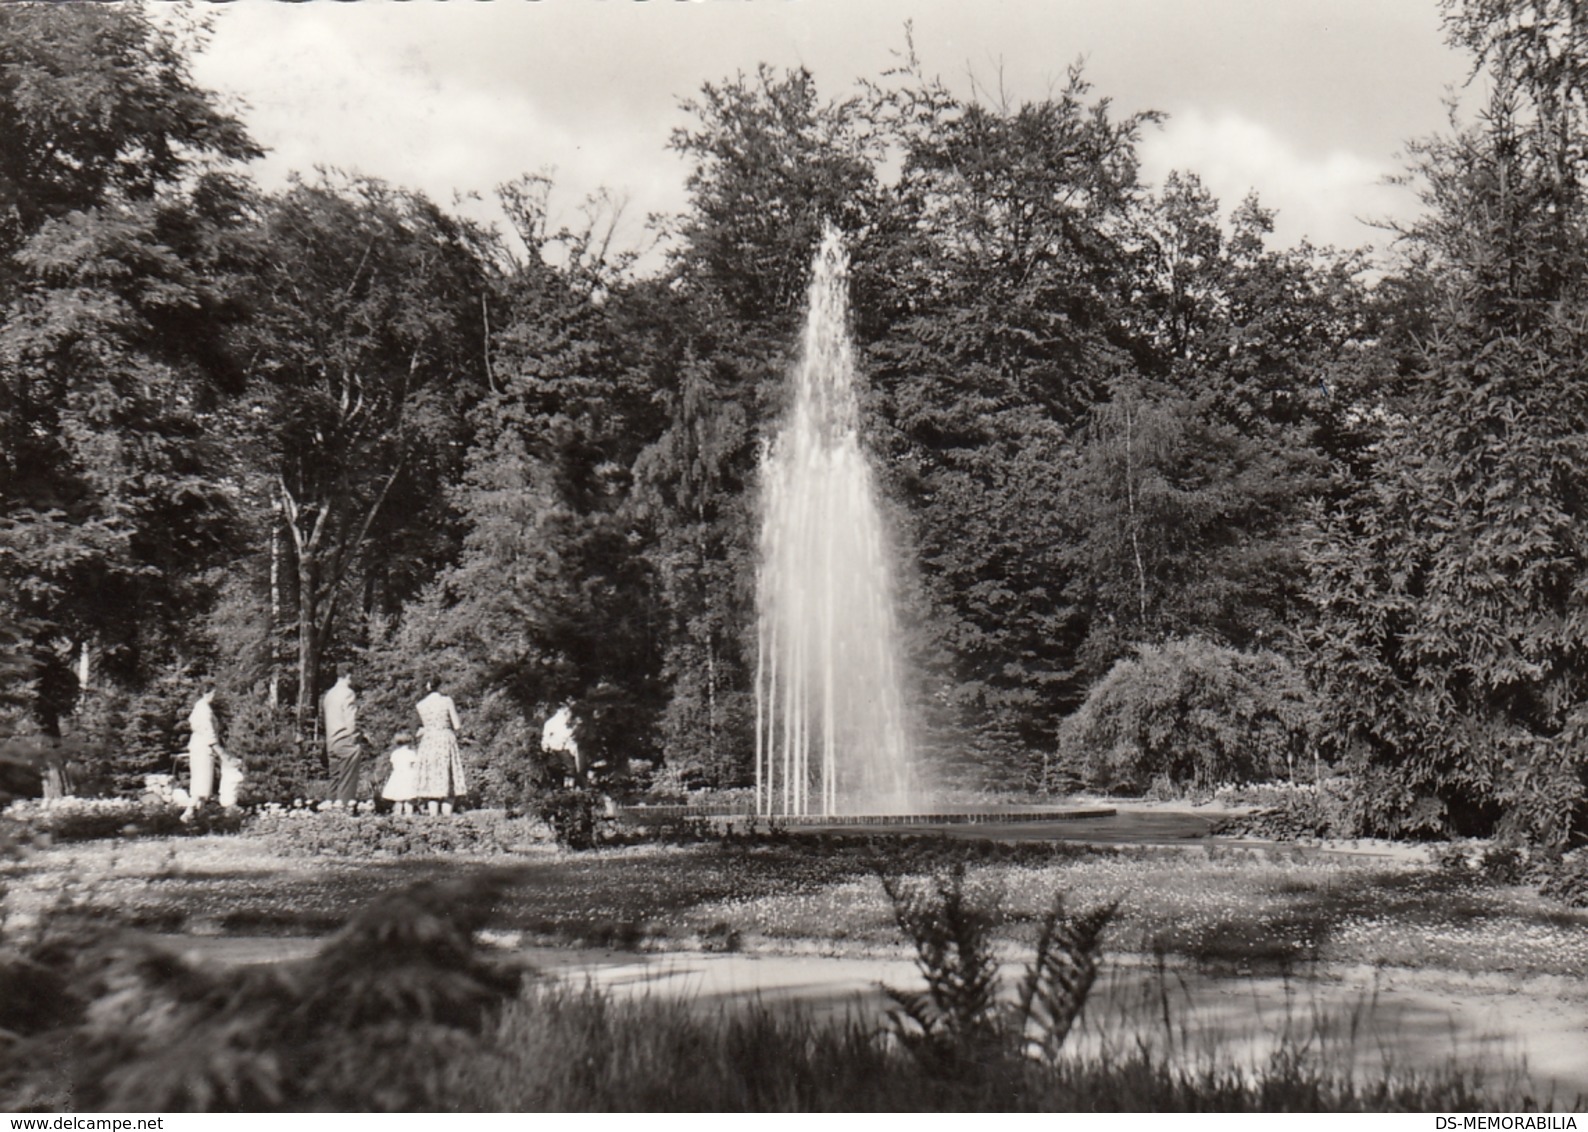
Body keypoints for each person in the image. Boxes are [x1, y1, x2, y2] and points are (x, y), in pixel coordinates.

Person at [412, 679, 466, 815]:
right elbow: (457, 725)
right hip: (444, 738)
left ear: (427, 686)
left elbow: (419, 727)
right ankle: (447, 818)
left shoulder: (421, 704)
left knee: (432, 779)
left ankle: (433, 819)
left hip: (428, 740)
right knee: (447, 776)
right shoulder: (446, 701)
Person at [322, 665, 362, 807]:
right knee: (348, 777)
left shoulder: (329, 694)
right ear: (349, 675)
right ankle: (345, 807)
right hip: (344, 739)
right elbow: (350, 719)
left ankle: (329, 808)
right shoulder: (348, 693)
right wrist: (355, 737)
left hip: (331, 741)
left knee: (335, 777)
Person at [381, 732, 418, 816]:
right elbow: (414, 764)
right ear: (409, 742)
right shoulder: (411, 753)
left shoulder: (395, 753)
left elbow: (393, 764)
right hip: (408, 775)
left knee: (398, 797)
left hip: (397, 775)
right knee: (409, 797)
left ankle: (398, 814)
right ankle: (409, 814)